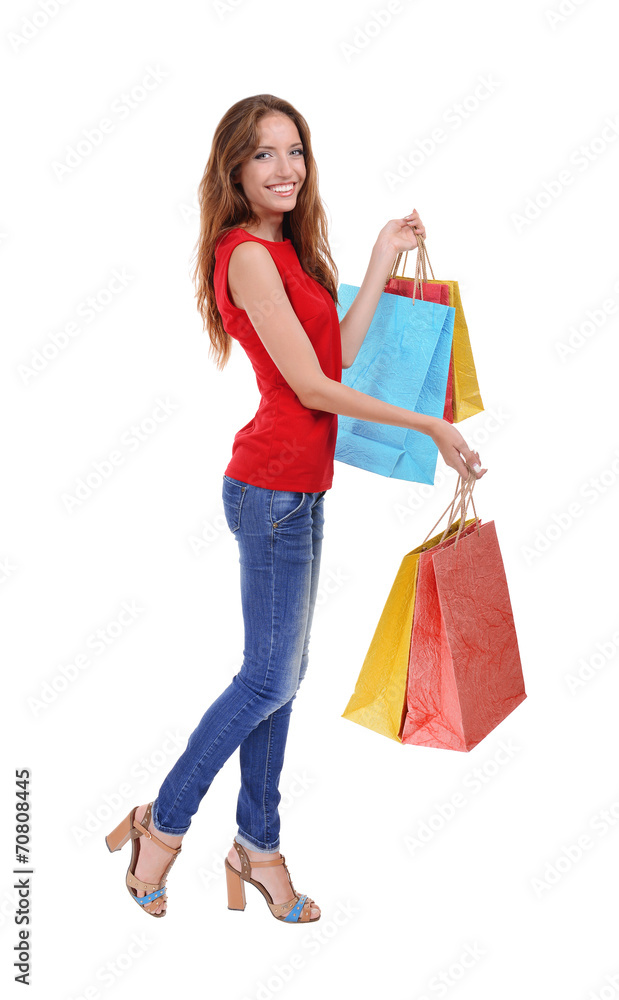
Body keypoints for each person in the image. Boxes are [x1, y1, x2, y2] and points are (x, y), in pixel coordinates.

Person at [105, 94, 487, 924]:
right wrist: (429, 423)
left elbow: (336, 357)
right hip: (270, 487)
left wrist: (383, 252)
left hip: (301, 489)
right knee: (268, 676)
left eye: (294, 152)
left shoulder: (288, 250)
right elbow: (314, 389)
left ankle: (257, 844)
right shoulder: (244, 253)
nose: (284, 169)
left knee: (283, 677)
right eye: (264, 155)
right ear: (233, 171)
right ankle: (161, 825)